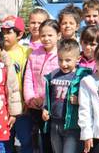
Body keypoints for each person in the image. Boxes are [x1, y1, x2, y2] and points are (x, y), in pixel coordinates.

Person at [42, 39, 92, 153]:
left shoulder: (82, 77)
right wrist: (45, 108)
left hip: (72, 125)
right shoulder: (53, 75)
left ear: (78, 59)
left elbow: (91, 99)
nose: (63, 64)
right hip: (55, 123)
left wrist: (80, 100)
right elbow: (48, 95)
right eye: (60, 60)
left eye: (68, 60)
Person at [24, 19, 60, 153]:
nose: (46, 38)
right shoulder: (34, 53)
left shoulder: (61, 55)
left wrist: (45, 102)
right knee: (37, 137)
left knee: (50, 138)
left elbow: (58, 83)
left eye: (50, 35)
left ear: (59, 35)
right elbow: (28, 78)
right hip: (34, 104)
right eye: (43, 35)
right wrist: (30, 98)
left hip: (51, 105)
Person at [0, 16, 34, 153]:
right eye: (2, 31)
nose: (4, 35)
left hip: (21, 104)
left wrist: (27, 99)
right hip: (2, 104)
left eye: (9, 32)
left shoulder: (27, 52)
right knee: (6, 138)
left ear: (19, 34)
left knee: (25, 139)